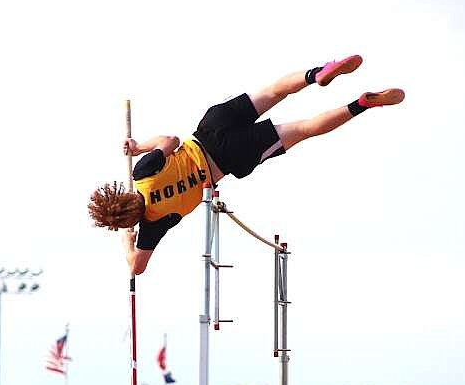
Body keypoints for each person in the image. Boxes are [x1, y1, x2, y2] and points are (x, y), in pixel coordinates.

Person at [87, 55, 405, 275]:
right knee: (273, 91)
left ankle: (361, 104)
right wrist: (138, 146)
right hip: (210, 129)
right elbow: (170, 140)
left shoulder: (153, 225)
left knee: (305, 129)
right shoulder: (141, 174)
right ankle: (317, 74)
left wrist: (127, 241)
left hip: (230, 158)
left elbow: (136, 267)